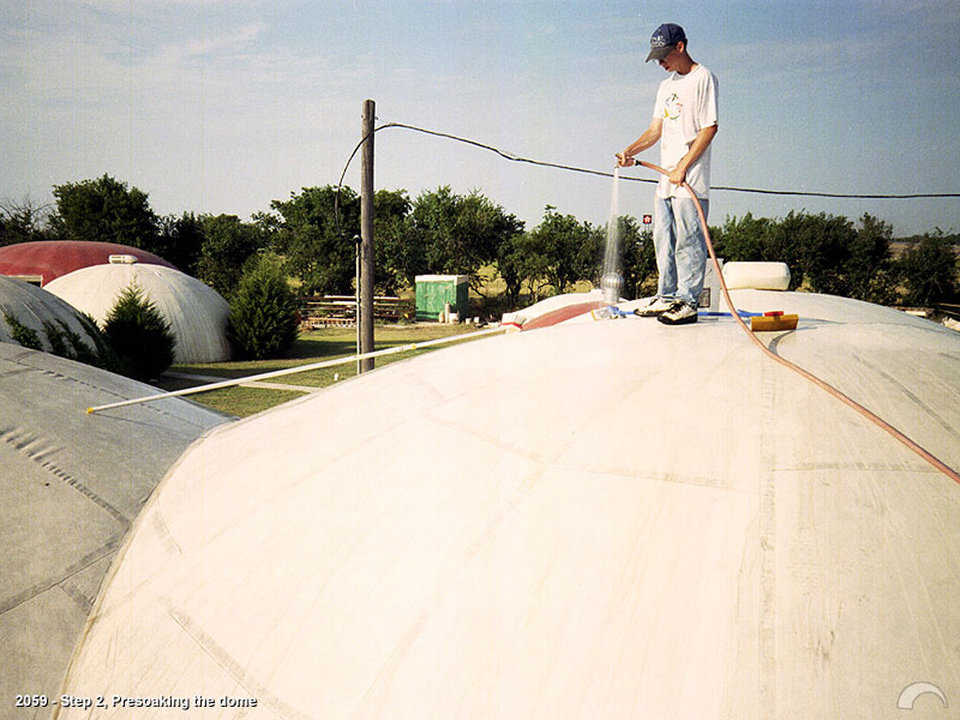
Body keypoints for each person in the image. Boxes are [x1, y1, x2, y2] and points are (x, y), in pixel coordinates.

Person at [616, 23, 718, 325]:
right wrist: (630, 151)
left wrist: (683, 166)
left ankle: (688, 301)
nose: (661, 63)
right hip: (666, 183)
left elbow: (709, 127)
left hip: (690, 181)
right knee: (663, 239)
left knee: (689, 240)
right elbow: (655, 130)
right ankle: (667, 296)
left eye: (663, 56)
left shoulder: (703, 79)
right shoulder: (666, 87)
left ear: (680, 47)